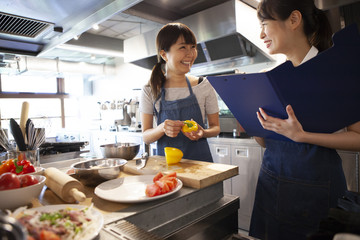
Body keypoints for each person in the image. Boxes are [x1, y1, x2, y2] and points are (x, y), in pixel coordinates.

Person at [249, 0, 360, 239]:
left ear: (294, 20)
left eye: (264, 24)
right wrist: (255, 125)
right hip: (271, 184)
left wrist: (302, 135)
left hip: (316, 192)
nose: (260, 34)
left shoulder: (337, 72)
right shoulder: (268, 80)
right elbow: (266, 143)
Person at [139, 23, 220, 162]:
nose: (190, 54)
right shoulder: (150, 89)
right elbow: (146, 136)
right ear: (164, 54)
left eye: (193, 47)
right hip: (167, 167)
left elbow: (216, 127)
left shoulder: (203, 85)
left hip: (201, 166)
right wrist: (162, 128)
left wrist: (203, 132)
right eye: (183, 47)